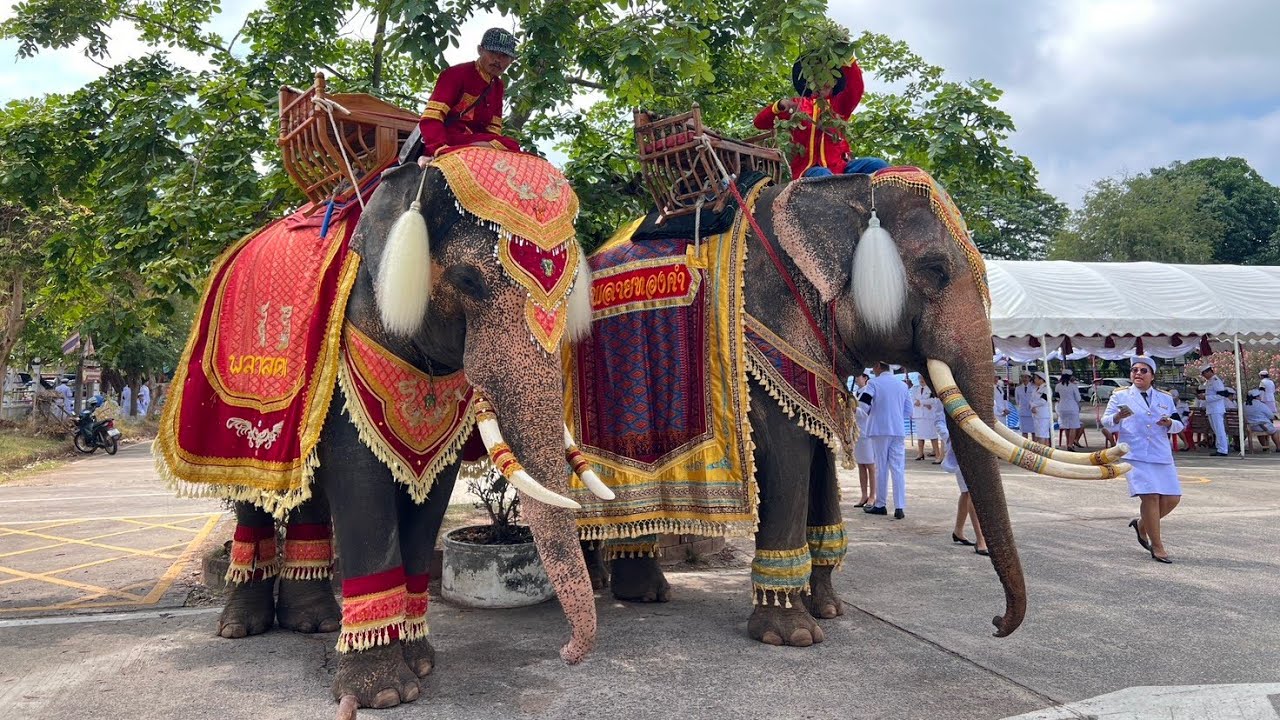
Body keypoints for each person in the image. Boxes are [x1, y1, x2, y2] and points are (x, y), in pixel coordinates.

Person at [753, 54, 888, 179]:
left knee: (878, 164)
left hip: (841, 167)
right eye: (817, 76)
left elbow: (855, 87)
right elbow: (759, 123)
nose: (822, 81)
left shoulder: (840, 104)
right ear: (809, 81)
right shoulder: (797, 105)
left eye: (826, 75)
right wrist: (780, 105)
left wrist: (846, 55)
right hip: (808, 170)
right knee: (822, 175)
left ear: (834, 81)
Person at [1102, 356, 1183, 563]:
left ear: (1152, 376)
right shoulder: (1120, 395)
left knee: (1172, 498)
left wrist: (1169, 423)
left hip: (1160, 453)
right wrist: (1118, 418)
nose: (1138, 373)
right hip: (1134, 453)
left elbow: (1180, 424)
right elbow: (1105, 421)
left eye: (1143, 370)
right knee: (1151, 497)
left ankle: (1141, 525)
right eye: (1134, 370)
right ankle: (1157, 546)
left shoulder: (1165, 398)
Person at [415, 28, 522, 163]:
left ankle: (473, 150)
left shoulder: (498, 86)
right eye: (493, 52)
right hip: (448, 140)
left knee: (513, 146)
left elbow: (493, 131)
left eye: (504, 56)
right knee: (511, 145)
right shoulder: (455, 74)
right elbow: (432, 117)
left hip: (476, 141)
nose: (497, 60)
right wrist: (439, 149)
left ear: (511, 61)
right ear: (480, 50)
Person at [863, 362, 912, 519]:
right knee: (898, 468)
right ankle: (899, 507)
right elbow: (909, 411)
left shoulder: (873, 383)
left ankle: (880, 504)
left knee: (881, 468)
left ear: (878, 366)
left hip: (879, 430)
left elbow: (864, 405)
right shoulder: (902, 386)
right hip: (898, 429)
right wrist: (894, 415)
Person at [937, 413, 987, 556]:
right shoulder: (947, 395)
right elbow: (939, 421)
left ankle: (958, 531)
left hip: (979, 445)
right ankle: (981, 539)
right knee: (973, 492)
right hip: (960, 449)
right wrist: (953, 438)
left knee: (966, 492)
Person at [852, 373, 877, 507]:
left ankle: (873, 495)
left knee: (870, 465)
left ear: (865, 378)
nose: (856, 379)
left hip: (867, 432)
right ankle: (864, 495)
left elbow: (867, 413)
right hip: (857, 432)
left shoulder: (867, 393)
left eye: (858, 376)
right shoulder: (856, 393)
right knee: (861, 465)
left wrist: (854, 409)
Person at [1200, 365, 1230, 456]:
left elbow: (1221, 395)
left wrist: (1206, 397)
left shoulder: (1216, 381)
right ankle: (1219, 447)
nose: (1203, 376)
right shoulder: (1209, 381)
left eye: (1204, 373)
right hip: (1211, 409)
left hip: (1217, 409)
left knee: (1219, 429)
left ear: (1209, 371)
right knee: (1216, 430)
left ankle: (1223, 449)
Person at [911, 377, 942, 462]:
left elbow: (934, 400)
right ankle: (920, 453)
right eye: (919, 378)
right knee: (920, 436)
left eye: (923, 378)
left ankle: (937, 454)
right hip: (919, 415)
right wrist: (923, 403)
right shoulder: (915, 389)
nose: (921, 380)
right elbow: (913, 400)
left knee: (932, 435)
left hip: (929, 415)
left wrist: (921, 402)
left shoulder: (931, 389)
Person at [1055, 371, 1083, 449]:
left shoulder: (1058, 386)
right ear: (1070, 377)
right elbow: (1078, 398)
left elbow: (1057, 397)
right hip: (1072, 407)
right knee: (1073, 427)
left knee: (1066, 426)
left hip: (1062, 408)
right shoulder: (1073, 386)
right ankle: (1070, 444)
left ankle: (1068, 443)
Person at [1028, 371, 1052, 445]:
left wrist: (1033, 405)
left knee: (1043, 435)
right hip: (1036, 415)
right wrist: (1032, 406)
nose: (1034, 380)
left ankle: (1043, 451)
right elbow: (1030, 400)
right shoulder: (1035, 389)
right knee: (1038, 434)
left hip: (1043, 415)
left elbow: (1043, 401)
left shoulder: (1046, 389)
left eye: (1036, 378)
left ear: (1041, 379)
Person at [1014, 372, 1034, 439]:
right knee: (1024, 431)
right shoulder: (1018, 388)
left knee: (1033, 431)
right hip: (1023, 412)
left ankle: (1034, 445)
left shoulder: (1034, 387)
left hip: (1032, 412)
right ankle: (1026, 446)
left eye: (1026, 377)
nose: (1024, 379)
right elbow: (1017, 400)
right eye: (1023, 377)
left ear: (1029, 378)